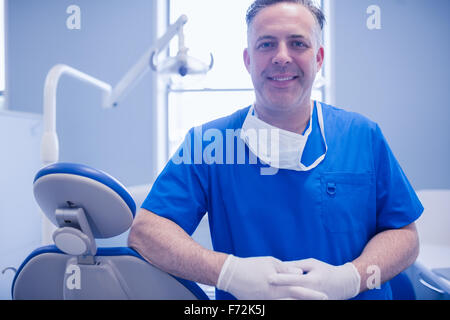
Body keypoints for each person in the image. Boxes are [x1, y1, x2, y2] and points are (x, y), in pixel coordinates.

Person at [128, 0, 423, 300]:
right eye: (267, 44)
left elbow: (405, 236)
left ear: (319, 58)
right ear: (248, 60)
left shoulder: (363, 136)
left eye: (297, 43)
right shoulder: (208, 143)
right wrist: (227, 271)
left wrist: (351, 278)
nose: (282, 57)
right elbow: (147, 232)